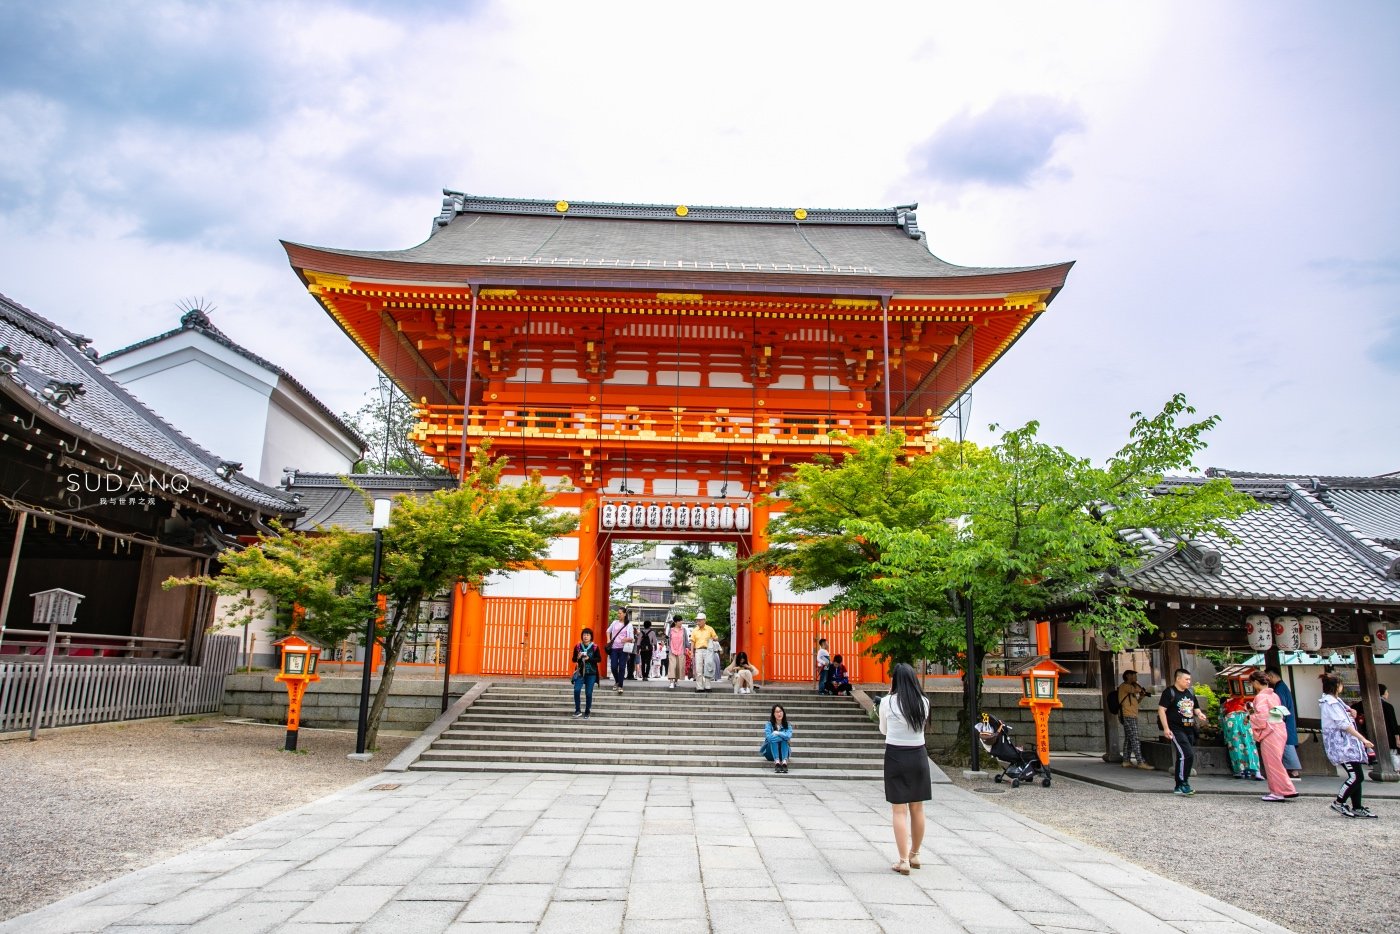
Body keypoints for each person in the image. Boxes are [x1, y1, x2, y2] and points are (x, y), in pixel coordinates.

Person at [879, 663, 930, 875]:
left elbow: (884, 729)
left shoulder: (887, 702)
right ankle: (915, 854)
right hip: (919, 755)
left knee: (899, 810)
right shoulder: (924, 702)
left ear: (895, 680)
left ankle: (903, 860)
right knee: (917, 808)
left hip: (896, 755)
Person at [1321, 673, 1377, 818]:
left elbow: (1348, 713)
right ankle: (1339, 802)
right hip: (1342, 745)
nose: (1342, 687)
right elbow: (1343, 724)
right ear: (1336, 686)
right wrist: (1363, 739)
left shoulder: (1335, 700)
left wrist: (1352, 711)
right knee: (1356, 776)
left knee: (1358, 775)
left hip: (1349, 745)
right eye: (1340, 684)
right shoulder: (1330, 703)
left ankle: (1357, 807)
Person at [1158, 667, 1208, 796]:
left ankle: (1180, 785)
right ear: (1178, 678)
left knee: (1184, 756)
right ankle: (1183, 783)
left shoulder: (1190, 692)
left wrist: (1200, 714)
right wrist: (1166, 728)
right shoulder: (1169, 692)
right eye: (1186, 679)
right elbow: (1161, 710)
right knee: (1187, 754)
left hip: (1189, 728)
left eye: (1190, 679)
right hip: (1176, 729)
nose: (1188, 682)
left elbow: (1195, 707)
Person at [1248, 670, 1297, 801]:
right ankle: (1282, 789)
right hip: (1280, 728)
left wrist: (1250, 716)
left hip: (1270, 730)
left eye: (1253, 683)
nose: (1253, 686)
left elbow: (1262, 716)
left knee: (1272, 763)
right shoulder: (1274, 695)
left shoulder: (1261, 697)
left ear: (1257, 682)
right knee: (1276, 761)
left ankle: (1281, 791)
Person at [1263, 667, 1302, 778]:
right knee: (1287, 745)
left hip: (1283, 722)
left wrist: (1275, 721)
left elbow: (1280, 707)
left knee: (1287, 746)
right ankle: (1291, 770)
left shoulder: (1279, 689)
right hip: (1286, 721)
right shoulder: (1282, 687)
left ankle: (1294, 771)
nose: (1267, 681)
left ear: (1271, 676)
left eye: (1267, 678)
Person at [1220, 693, 1264, 781]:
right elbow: (1254, 713)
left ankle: (1239, 770)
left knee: (1235, 746)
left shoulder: (1226, 702)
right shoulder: (1248, 700)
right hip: (1244, 721)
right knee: (1250, 746)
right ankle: (1255, 771)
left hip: (1231, 722)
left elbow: (1221, 717)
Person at [1115, 670, 1152, 769]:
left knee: (1129, 739)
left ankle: (1126, 761)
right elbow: (1136, 689)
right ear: (1127, 676)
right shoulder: (1125, 686)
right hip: (1127, 715)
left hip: (1132, 715)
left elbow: (1136, 702)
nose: (1136, 677)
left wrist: (1141, 697)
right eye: (1134, 675)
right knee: (1135, 738)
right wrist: (1139, 688)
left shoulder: (1131, 688)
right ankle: (1140, 761)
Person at [569, 628, 601, 719]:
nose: (585, 636)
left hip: (591, 673)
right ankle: (577, 710)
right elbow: (573, 659)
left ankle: (587, 711)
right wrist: (578, 657)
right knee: (576, 690)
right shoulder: (578, 646)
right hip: (580, 672)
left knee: (588, 693)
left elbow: (599, 659)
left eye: (588, 635)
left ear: (591, 637)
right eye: (584, 635)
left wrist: (589, 659)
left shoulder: (595, 647)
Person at [690, 612, 718, 692]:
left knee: (708, 668)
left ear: (704, 620)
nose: (698, 622)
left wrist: (714, 638)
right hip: (698, 650)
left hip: (708, 651)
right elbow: (692, 642)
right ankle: (699, 687)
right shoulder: (695, 630)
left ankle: (708, 686)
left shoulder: (710, 629)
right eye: (697, 620)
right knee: (698, 669)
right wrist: (691, 652)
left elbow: (716, 637)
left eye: (699, 620)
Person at [605, 611, 630, 694]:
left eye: (620, 613)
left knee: (622, 667)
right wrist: (608, 639)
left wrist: (627, 639)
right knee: (613, 667)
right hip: (614, 648)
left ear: (625, 614)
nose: (618, 614)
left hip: (624, 649)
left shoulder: (629, 624)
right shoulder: (615, 622)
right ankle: (617, 681)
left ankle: (620, 686)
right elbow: (608, 631)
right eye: (618, 613)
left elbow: (632, 638)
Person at [762, 704, 793, 773]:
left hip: (784, 753)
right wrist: (784, 736)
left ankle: (784, 762)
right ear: (773, 714)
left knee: (784, 740)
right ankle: (777, 761)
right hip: (770, 753)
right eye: (777, 712)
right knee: (778, 740)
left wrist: (778, 733)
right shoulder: (769, 724)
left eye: (780, 711)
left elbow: (788, 736)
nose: (779, 713)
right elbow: (769, 738)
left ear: (783, 713)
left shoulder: (788, 725)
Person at [666, 616, 686, 689]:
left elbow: (686, 641)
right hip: (672, 651)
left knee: (678, 667)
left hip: (681, 651)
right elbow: (668, 640)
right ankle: (671, 682)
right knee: (672, 666)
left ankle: (676, 681)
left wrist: (688, 649)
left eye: (682, 620)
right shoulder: (670, 630)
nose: (681, 622)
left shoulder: (684, 630)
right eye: (680, 621)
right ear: (675, 622)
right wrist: (668, 649)